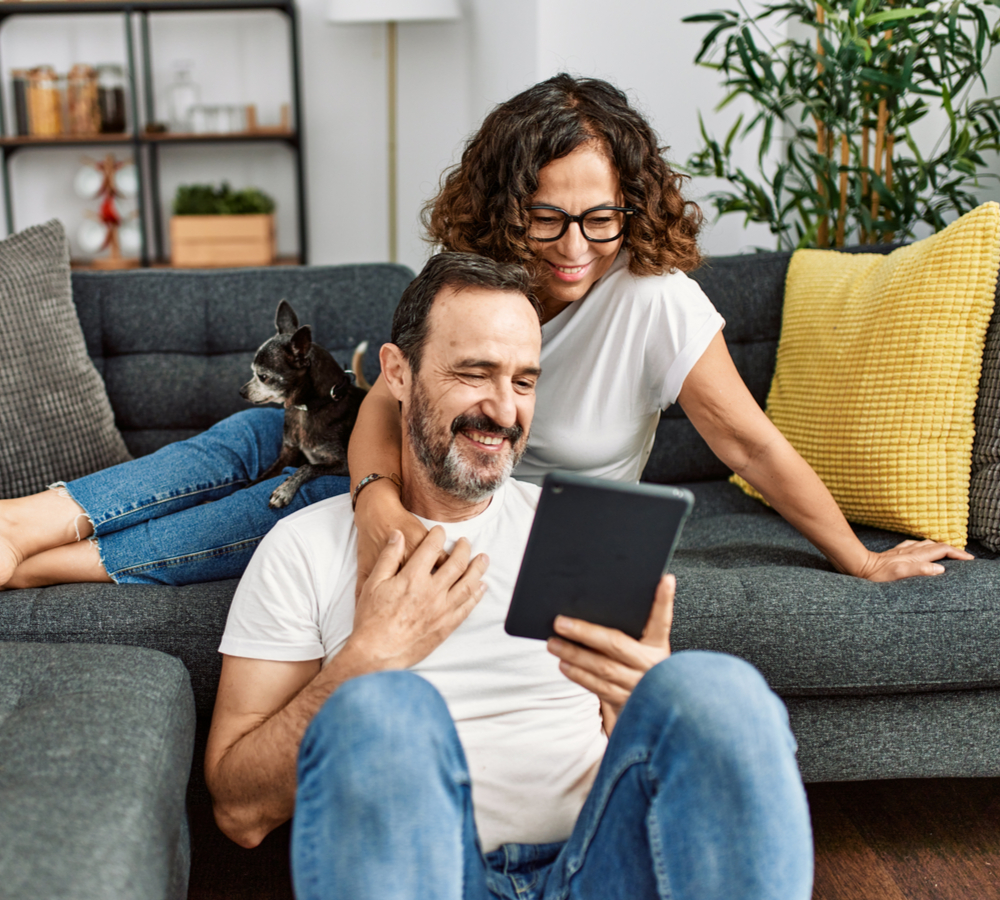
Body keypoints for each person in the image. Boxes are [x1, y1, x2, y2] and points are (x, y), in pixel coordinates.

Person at [0, 73, 970, 591]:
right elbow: (389, 404)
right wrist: (376, 493)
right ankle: (28, 523)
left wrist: (860, 556)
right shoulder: (469, 284)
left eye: (600, 217)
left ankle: (39, 563)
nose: (576, 246)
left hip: (498, 525)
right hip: (411, 476)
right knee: (267, 437)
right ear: (508, 204)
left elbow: (748, 440)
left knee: (302, 511)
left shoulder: (655, 299)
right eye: (548, 217)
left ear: (631, 205)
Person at [204, 251, 814, 900]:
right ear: (397, 374)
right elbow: (238, 812)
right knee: (383, 710)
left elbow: (637, 762)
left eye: (524, 381)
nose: (504, 408)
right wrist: (366, 659)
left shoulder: (581, 531)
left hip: (596, 868)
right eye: (475, 373)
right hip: (432, 876)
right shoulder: (303, 548)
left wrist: (637, 703)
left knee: (718, 692)